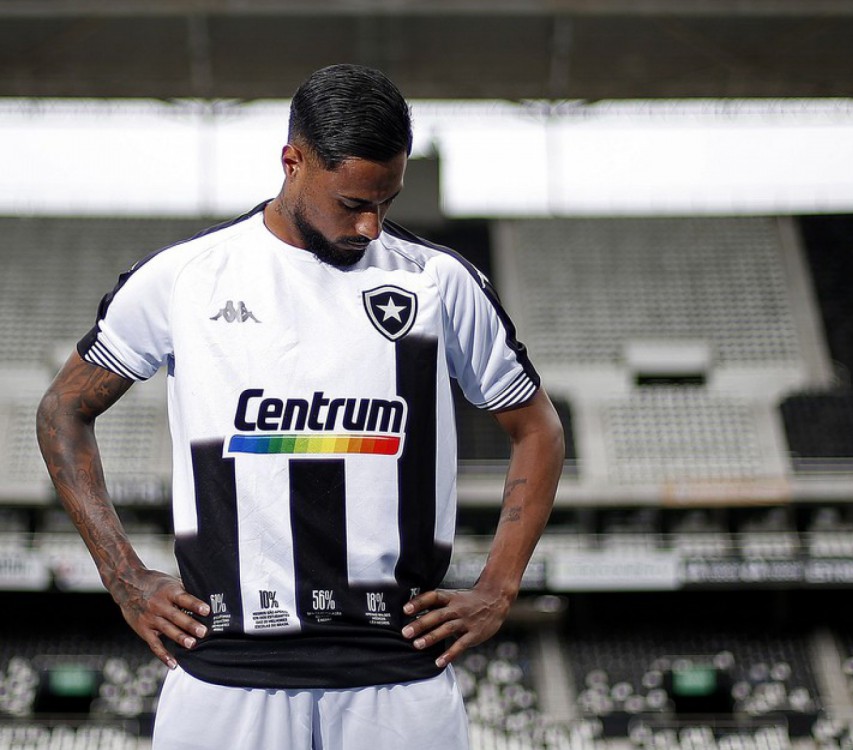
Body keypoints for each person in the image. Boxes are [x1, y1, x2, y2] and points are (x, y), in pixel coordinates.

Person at [36, 63, 564, 749]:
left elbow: (537, 429)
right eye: (352, 203)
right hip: (225, 672)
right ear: (293, 161)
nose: (372, 225)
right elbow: (62, 412)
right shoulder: (186, 278)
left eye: (387, 201)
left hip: (398, 677)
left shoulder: (440, 283)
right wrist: (124, 574)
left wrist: (498, 587)